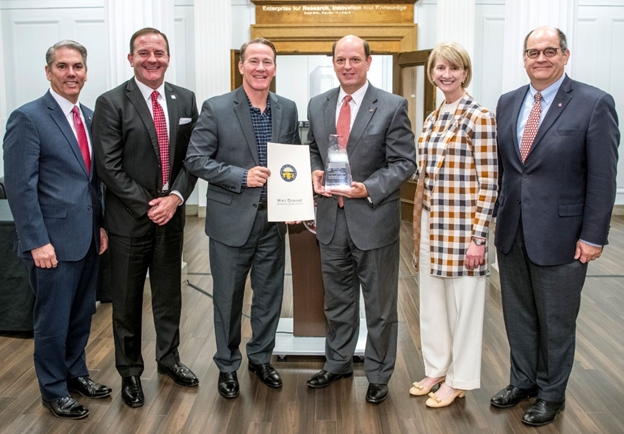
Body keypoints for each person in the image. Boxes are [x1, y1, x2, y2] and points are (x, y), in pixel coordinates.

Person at [491, 27, 619, 426]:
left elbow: (603, 177)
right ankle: (523, 380)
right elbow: (510, 171)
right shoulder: (508, 102)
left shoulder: (594, 103)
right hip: (513, 230)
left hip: (564, 236)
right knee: (518, 314)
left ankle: (551, 393)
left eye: (549, 51)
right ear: (524, 57)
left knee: (557, 320)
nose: (540, 59)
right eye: (533, 52)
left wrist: (593, 235)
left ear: (565, 55)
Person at [185, 38, 300, 399]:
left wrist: (297, 203)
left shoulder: (288, 108)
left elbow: (293, 159)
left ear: (275, 68)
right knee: (228, 298)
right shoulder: (217, 108)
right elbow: (196, 159)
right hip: (231, 221)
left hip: (273, 221)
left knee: (269, 295)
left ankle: (261, 358)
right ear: (241, 66)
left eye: (267, 61)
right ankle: (227, 365)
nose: (260, 67)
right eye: (253, 61)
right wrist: (240, 176)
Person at [92, 27, 199, 408]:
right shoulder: (110, 102)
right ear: (131, 58)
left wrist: (174, 198)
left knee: (170, 295)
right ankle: (130, 372)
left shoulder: (184, 98)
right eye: (144, 53)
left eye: (159, 52)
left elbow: (193, 158)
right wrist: (149, 204)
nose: (152, 59)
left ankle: (169, 359)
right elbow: (108, 165)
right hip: (129, 220)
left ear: (169, 57)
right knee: (127, 300)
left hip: (172, 215)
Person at [3, 40, 111, 419]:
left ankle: (75, 373)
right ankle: (52, 389)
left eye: (78, 66)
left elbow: (92, 180)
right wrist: (36, 241)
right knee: (52, 321)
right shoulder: (27, 117)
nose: (71, 73)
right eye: (63, 66)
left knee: (81, 315)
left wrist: (99, 226)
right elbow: (19, 187)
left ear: (85, 71)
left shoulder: (90, 115)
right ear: (48, 72)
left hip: (86, 237)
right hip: (50, 244)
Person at [306, 35, 416, 404]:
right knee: (337, 303)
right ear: (333, 62)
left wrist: (366, 188)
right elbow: (312, 150)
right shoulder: (318, 105)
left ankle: (379, 373)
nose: (348, 65)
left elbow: (404, 163)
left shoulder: (392, 105)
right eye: (341, 59)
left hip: (373, 221)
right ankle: (337, 363)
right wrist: (315, 171)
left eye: (355, 59)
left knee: (380, 307)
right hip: (331, 222)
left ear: (369, 62)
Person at [408, 42, 497, 408]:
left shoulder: (479, 116)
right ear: (431, 72)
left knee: (465, 308)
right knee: (432, 304)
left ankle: (459, 379)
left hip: (465, 230)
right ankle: (437, 368)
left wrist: (479, 238)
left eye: (453, 69)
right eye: (439, 68)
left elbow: (491, 182)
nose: (445, 75)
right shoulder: (432, 117)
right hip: (431, 224)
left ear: (465, 73)